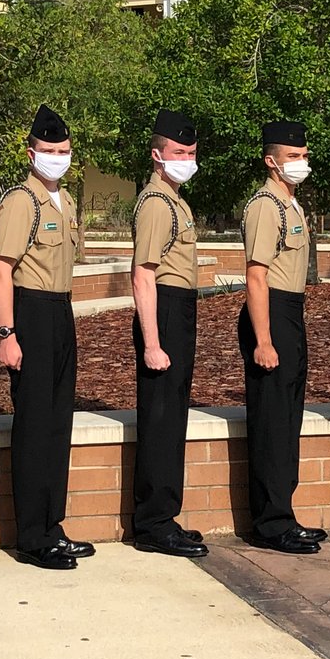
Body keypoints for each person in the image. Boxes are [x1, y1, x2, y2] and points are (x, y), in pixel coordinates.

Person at [0, 105, 92, 571]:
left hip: (60, 311)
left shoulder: (64, 202)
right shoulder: (21, 202)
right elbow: (0, 269)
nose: (57, 157)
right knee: (34, 426)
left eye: (64, 150)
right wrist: (7, 332)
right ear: (31, 153)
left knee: (58, 424)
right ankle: (32, 535)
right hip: (29, 311)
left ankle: (53, 525)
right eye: (49, 150)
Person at [239, 120, 325, 555]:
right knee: (272, 422)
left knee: (288, 419)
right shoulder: (265, 205)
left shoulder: (291, 204)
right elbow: (256, 276)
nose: (301, 163)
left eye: (304, 155)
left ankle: (284, 513)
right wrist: (263, 339)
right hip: (269, 311)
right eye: (294, 157)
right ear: (272, 161)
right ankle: (271, 523)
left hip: (291, 311)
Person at [130, 108, 208, 559]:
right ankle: (153, 522)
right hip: (162, 310)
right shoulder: (158, 202)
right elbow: (143, 274)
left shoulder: (176, 199)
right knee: (160, 419)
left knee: (173, 416)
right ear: (158, 155)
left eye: (192, 152)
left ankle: (165, 515)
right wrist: (153, 343)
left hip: (179, 308)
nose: (187, 158)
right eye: (180, 151)